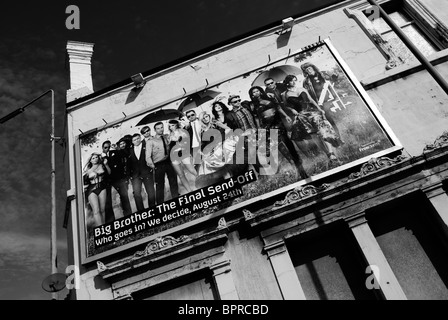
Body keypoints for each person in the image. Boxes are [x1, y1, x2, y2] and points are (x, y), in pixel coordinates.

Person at [249, 86, 308, 180]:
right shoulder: (253, 105)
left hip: (278, 123)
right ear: (252, 95)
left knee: (289, 145)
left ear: (260, 91)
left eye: (257, 91)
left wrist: (286, 116)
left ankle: (301, 170)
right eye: (253, 92)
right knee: (280, 148)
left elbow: (278, 108)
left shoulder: (269, 98)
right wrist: (260, 128)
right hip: (267, 127)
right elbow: (256, 118)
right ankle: (293, 168)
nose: (256, 93)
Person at [282, 74, 342, 164]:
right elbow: (286, 106)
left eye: (295, 80)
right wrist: (292, 109)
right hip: (301, 115)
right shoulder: (284, 94)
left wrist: (319, 109)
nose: (294, 82)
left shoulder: (302, 89)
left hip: (312, 113)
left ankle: (331, 152)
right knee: (314, 135)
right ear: (287, 82)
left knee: (323, 131)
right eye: (292, 80)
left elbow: (311, 100)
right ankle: (328, 155)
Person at [301, 62, 341, 136]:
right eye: (306, 70)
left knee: (338, 116)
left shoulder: (323, 74)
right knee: (329, 120)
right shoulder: (306, 81)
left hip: (331, 99)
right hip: (320, 103)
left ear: (313, 67)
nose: (308, 70)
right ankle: (337, 135)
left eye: (309, 68)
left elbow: (333, 80)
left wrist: (335, 76)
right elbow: (306, 94)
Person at [146, 122, 179, 204]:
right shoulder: (151, 141)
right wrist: (153, 167)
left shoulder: (167, 137)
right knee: (160, 185)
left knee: (173, 181)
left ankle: (176, 199)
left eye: (162, 127)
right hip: (158, 164)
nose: (160, 129)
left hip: (168, 162)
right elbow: (147, 157)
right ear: (154, 130)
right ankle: (160, 204)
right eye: (158, 128)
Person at [168, 119, 197, 193]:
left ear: (177, 124)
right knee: (181, 175)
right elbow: (169, 147)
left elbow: (187, 141)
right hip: (174, 156)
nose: (171, 127)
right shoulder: (169, 135)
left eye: (173, 125)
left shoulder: (183, 131)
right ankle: (189, 191)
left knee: (191, 170)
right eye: (170, 126)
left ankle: (202, 181)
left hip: (184, 153)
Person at [129, 133, 156, 211]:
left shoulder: (146, 146)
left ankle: (152, 209)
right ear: (132, 142)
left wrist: (151, 168)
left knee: (150, 191)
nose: (136, 141)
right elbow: (129, 164)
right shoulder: (130, 150)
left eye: (138, 138)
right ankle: (141, 211)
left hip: (147, 172)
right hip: (135, 176)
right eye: (134, 140)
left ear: (140, 138)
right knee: (137, 194)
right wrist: (130, 176)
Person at [83, 153, 111, 227]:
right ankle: (100, 228)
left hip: (102, 187)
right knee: (96, 210)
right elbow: (84, 182)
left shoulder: (102, 165)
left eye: (96, 157)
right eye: (93, 158)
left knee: (102, 210)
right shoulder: (88, 171)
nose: (95, 159)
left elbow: (109, 173)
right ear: (90, 161)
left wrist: (106, 164)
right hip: (92, 190)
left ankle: (104, 227)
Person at [107, 138, 132, 217]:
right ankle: (126, 212)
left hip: (126, 176)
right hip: (118, 178)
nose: (122, 145)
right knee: (122, 196)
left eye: (123, 143)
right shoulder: (113, 153)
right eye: (120, 144)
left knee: (124, 195)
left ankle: (128, 213)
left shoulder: (126, 151)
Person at [101, 140, 115, 223]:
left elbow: (110, 171)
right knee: (105, 202)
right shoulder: (99, 158)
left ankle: (111, 220)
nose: (107, 149)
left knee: (109, 201)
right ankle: (108, 221)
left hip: (109, 181)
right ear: (102, 148)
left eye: (109, 147)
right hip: (102, 182)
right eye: (106, 147)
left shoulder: (110, 156)